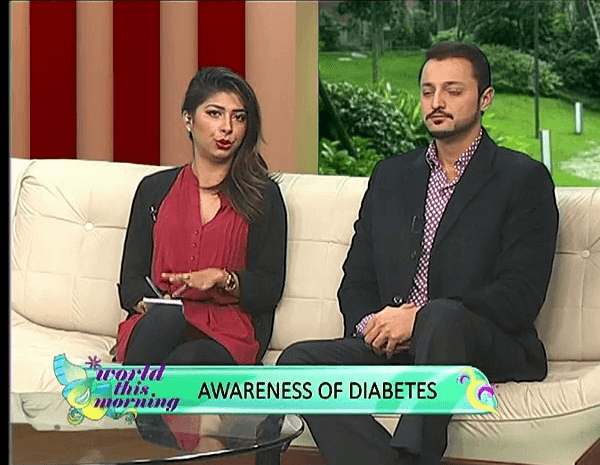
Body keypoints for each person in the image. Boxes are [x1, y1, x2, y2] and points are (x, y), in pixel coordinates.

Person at [277, 42, 559, 465]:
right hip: (397, 345)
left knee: (441, 318)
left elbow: (520, 295)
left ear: (485, 99)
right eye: (428, 91)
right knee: (298, 362)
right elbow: (357, 280)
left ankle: (415, 454)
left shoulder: (523, 179)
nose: (437, 102)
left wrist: (420, 319)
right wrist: (376, 326)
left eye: (453, 90)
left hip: (481, 343)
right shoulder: (391, 176)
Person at [115, 66, 287, 449]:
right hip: (161, 323)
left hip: (226, 330)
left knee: (186, 362)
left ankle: (148, 439)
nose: (227, 128)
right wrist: (151, 304)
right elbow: (130, 281)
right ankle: (151, 433)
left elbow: (269, 288)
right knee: (165, 323)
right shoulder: (153, 190)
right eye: (214, 113)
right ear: (188, 120)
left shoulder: (264, 197)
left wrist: (223, 279)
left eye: (238, 117)